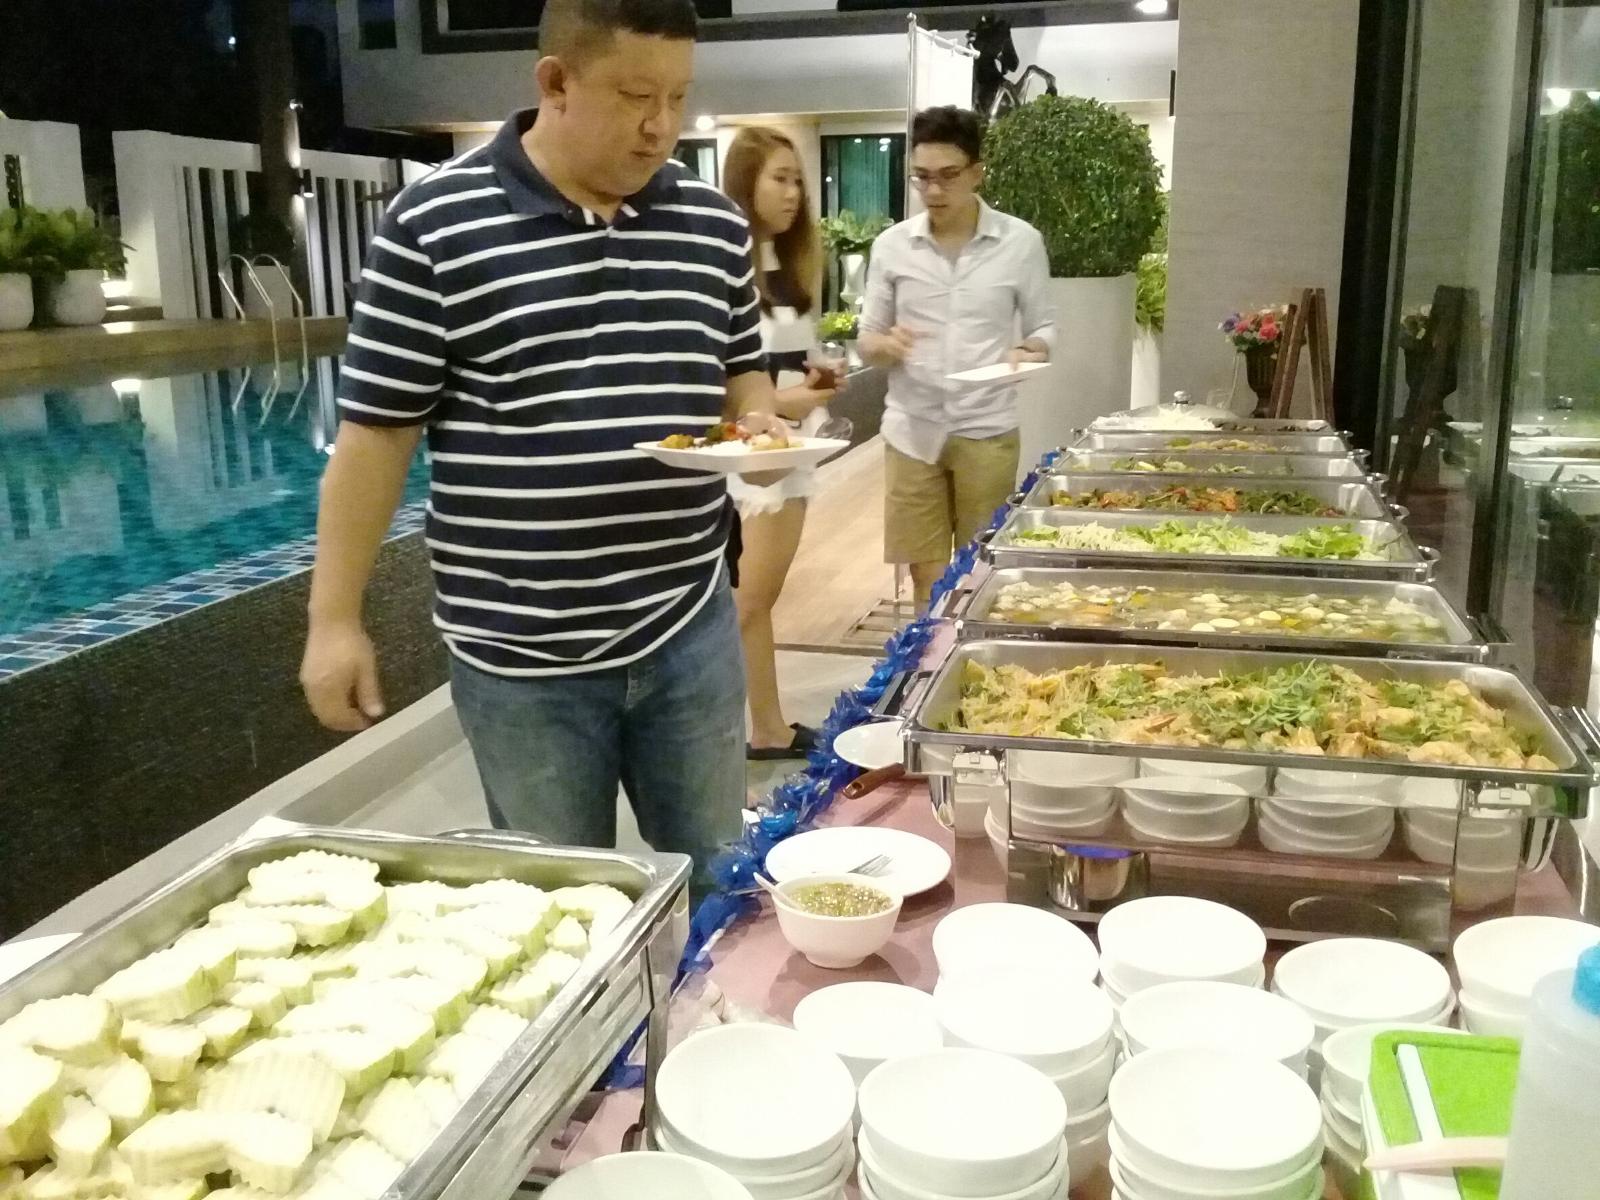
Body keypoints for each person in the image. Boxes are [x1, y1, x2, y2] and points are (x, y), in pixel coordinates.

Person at [298, 0, 785, 884]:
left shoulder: (713, 227)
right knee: (559, 901)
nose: (662, 126)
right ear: (555, 82)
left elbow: (742, 371)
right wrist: (333, 620)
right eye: (636, 96)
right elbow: (375, 438)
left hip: (688, 623)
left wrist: (760, 423)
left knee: (719, 876)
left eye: (678, 97)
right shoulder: (433, 226)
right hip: (519, 655)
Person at [858, 105, 1057, 609]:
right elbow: (868, 339)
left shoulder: (1020, 243)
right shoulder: (892, 247)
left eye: (948, 176)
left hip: (986, 427)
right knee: (924, 571)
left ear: (976, 173)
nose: (933, 191)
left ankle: (969, 652)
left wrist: (1031, 349)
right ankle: (926, 654)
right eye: (922, 177)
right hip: (911, 428)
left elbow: (1044, 328)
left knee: (979, 569)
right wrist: (886, 346)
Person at [721, 127, 840, 760]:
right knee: (748, 599)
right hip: (754, 457)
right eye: (779, 178)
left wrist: (815, 382)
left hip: (792, 448)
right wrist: (788, 401)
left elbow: (784, 365)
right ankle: (745, 729)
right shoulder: (726, 268)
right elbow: (729, 383)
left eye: (798, 180)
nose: (794, 192)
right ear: (746, 183)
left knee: (757, 599)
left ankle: (766, 725)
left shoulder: (788, 269)